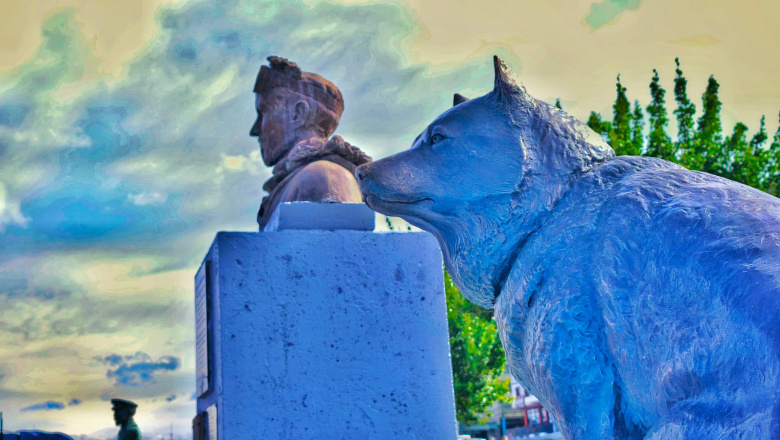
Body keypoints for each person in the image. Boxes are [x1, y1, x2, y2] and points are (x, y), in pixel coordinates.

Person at [250, 56, 372, 229]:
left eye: (264, 112)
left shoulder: (323, 177)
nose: (255, 130)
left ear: (298, 113)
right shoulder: (299, 180)